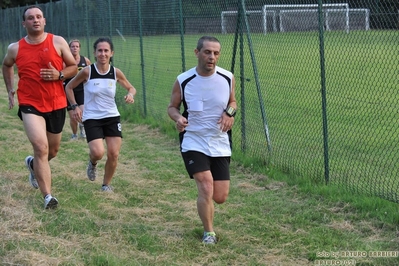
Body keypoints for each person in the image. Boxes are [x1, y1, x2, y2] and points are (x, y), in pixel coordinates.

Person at [2, 5, 77, 209]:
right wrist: (10, 89)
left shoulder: (58, 41)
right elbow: (7, 65)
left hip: (55, 102)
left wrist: (59, 75)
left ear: (44, 21)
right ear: (24, 23)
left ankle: (33, 165)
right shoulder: (15, 48)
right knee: (41, 147)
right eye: (30, 18)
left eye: (39, 17)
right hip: (29, 103)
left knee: (52, 150)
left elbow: (73, 67)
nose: (35, 20)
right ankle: (48, 197)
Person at [167, 36, 237, 244]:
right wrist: (178, 118)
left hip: (219, 140)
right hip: (193, 139)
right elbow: (172, 107)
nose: (212, 57)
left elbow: (233, 101)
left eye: (216, 53)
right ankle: (209, 232)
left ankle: (208, 214)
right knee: (206, 186)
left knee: (220, 196)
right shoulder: (184, 80)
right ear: (197, 53)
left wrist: (229, 114)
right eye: (207, 52)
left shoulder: (227, 77)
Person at [65, 37, 136, 192]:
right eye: (100, 51)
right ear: (94, 53)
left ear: (111, 53)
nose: (103, 54)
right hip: (92, 118)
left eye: (106, 51)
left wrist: (130, 95)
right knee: (98, 152)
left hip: (111, 116)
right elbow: (69, 87)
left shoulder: (115, 72)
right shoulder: (87, 72)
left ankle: (106, 185)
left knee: (113, 153)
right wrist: (75, 106)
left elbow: (131, 88)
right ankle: (93, 163)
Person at [63, 39, 91, 140]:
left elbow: (90, 74)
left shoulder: (85, 60)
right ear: (69, 48)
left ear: (79, 48)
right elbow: (61, 75)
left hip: (81, 91)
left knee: (83, 114)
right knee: (73, 117)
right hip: (69, 91)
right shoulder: (65, 62)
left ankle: (82, 129)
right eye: (72, 46)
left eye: (76, 46)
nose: (74, 48)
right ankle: (74, 134)